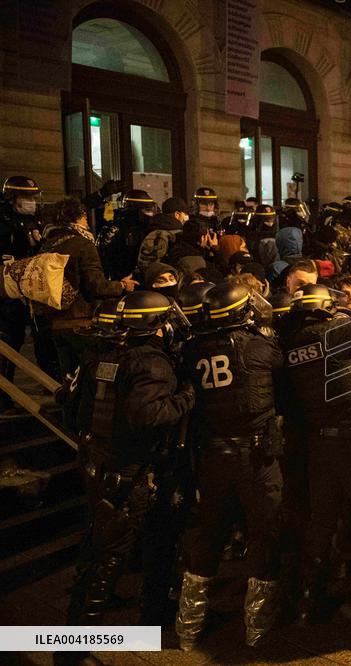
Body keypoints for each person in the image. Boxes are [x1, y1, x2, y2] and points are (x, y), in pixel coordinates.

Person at [62, 291, 194, 631]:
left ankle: (150, 615)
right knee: (111, 556)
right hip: (130, 471)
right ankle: (76, 645)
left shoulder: (104, 357)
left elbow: (76, 412)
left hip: (100, 462)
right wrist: (187, 397)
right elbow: (150, 416)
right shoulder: (151, 362)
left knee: (103, 544)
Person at [175, 283, 285, 649]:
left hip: (212, 456)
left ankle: (187, 629)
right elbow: (279, 371)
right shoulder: (259, 344)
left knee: (209, 536)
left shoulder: (192, 349)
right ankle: (257, 630)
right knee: (263, 535)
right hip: (255, 458)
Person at [279, 284, 351, 628]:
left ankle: (308, 599)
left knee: (321, 520)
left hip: (318, 442)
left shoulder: (292, 343)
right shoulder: (339, 329)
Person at [34, 197, 137, 380]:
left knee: (69, 377)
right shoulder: (82, 244)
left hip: (56, 322)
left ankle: (68, 408)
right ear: (77, 218)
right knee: (90, 377)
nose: (87, 221)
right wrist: (122, 286)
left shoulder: (48, 244)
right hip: (80, 322)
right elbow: (96, 286)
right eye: (84, 217)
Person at [0, 175, 43, 258]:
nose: (32, 202)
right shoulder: (4, 221)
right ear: (11, 198)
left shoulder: (34, 219)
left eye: (33, 197)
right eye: (27, 197)